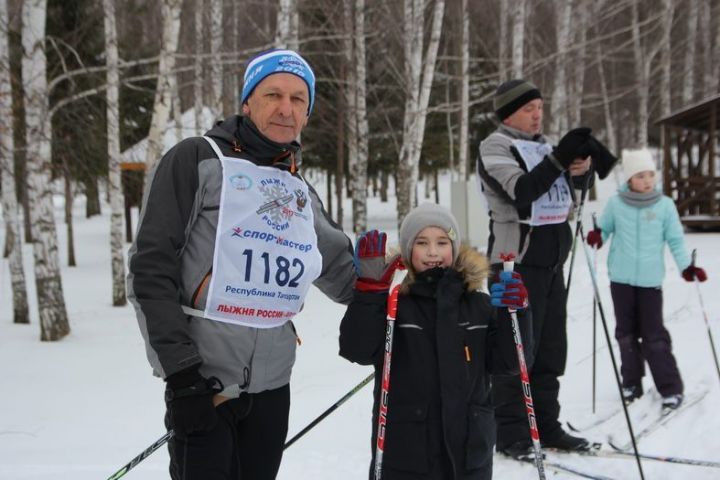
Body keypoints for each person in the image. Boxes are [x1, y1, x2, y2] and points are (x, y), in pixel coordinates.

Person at [127, 49, 356, 480]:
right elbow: (149, 270)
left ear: (308, 113)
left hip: (272, 387)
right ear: (247, 102)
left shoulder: (297, 188)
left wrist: (429, 280)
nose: (286, 109)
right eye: (273, 94)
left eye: (298, 100)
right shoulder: (197, 158)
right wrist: (182, 377)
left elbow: (345, 275)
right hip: (205, 384)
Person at [339, 203, 532, 479]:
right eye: (422, 243)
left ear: (454, 248)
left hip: (469, 453)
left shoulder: (477, 304)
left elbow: (511, 362)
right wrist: (369, 292)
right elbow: (357, 349)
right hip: (406, 453)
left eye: (442, 242)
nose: (433, 252)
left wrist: (517, 313)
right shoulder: (395, 304)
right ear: (408, 249)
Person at [475, 79, 606, 457]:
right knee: (516, 350)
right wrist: (558, 160)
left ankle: (547, 425)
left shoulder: (544, 146)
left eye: (541, 108)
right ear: (508, 112)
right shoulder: (495, 146)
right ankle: (512, 432)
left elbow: (568, 194)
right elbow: (522, 191)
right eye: (530, 108)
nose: (538, 115)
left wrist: (580, 170)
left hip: (550, 264)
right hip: (513, 264)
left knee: (550, 350)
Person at [586, 148, 707, 411]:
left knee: (653, 336)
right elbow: (604, 228)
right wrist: (598, 236)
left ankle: (670, 387)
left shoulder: (664, 205)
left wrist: (687, 267)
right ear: (629, 179)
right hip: (621, 280)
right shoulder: (616, 204)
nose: (647, 180)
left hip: (650, 282)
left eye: (650, 174)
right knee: (626, 335)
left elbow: (675, 240)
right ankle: (631, 382)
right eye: (640, 175)